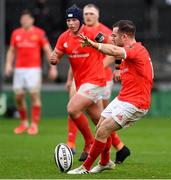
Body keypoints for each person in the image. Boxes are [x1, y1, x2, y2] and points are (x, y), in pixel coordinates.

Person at [67, 19, 153, 174]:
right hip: (123, 98)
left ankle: (85, 168)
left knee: (103, 131)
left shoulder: (137, 50)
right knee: (100, 127)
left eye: (114, 36)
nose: (112, 38)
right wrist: (118, 68)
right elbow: (117, 52)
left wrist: (94, 44)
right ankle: (105, 162)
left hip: (136, 103)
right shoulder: (127, 48)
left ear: (125, 37)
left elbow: (114, 51)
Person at [66, 3, 130, 164]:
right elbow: (74, 57)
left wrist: (97, 68)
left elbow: (115, 50)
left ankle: (111, 148)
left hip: (101, 78)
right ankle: (116, 148)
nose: (88, 16)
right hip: (84, 78)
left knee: (102, 118)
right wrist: (69, 78)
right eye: (86, 13)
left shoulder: (103, 32)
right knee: (82, 109)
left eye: (91, 14)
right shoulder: (78, 33)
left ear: (98, 16)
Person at [49, 5, 109, 162]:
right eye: (68, 20)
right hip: (82, 83)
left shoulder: (93, 33)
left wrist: (115, 66)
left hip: (95, 81)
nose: (71, 23)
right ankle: (106, 160)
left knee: (72, 108)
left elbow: (112, 46)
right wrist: (53, 59)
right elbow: (56, 55)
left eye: (74, 20)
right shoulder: (64, 37)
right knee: (101, 124)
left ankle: (89, 142)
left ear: (80, 20)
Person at [5, 10, 57, 135]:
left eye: (27, 19)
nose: (25, 21)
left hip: (33, 69)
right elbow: (11, 50)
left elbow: (47, 50)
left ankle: (34, 124)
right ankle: (24, 123)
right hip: (19, 69)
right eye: (23, 19)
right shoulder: (16, 33)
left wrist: (53, 67)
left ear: (32, 20)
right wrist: (8, 64)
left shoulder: (39, 33)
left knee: (34, 95)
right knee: (18, 96)